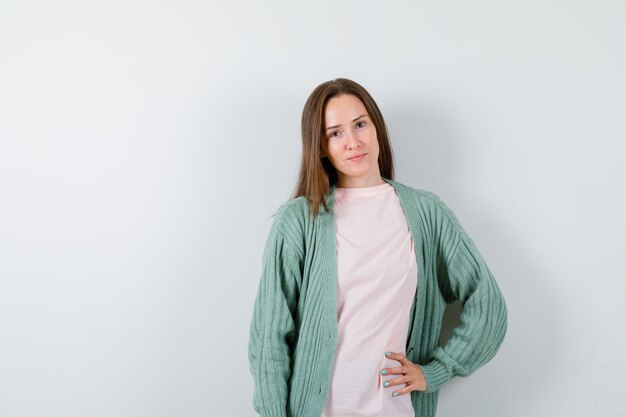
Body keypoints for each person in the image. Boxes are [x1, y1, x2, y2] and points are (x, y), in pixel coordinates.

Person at [247, 78, 507, 417]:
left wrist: (435, 371)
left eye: (359, 124)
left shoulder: (426, 214)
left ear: (375, 126)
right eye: (335, 133)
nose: (353, 142)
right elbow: (269, 339)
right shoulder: (299, 220)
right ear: (321, 146)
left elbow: (489, 307)